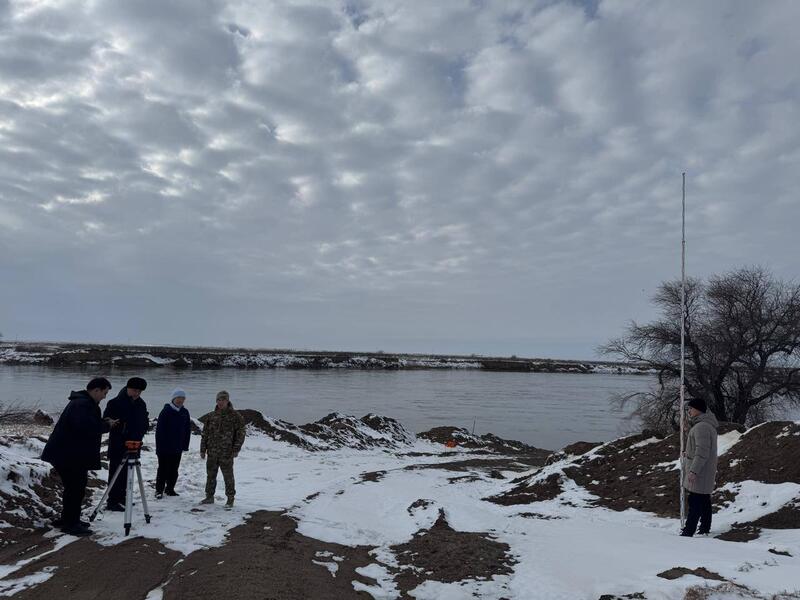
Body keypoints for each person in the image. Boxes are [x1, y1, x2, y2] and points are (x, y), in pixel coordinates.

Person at [41, 377, 118, 536]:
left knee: (73, 488)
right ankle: (71, 524)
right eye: (104, 392)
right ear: (96, 390)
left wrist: (102, 421)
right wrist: (107, 425)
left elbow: (86, 423)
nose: (105, 396)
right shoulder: (82, 404)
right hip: (68, 455)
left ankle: (69, 519)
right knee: (75, 488)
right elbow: (86, 427)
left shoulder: (83, 402)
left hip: (68, 453)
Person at [102, 377, 149, 511]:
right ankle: (113, 501)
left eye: (140, 391)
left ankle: (123, 498)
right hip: (118, 443)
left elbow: (144, 421)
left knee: (128, 473)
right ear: (128, 388)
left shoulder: (141, 404)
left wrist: (142, 431)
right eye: (135, 390)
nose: (137, 393)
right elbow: (106, 420)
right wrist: (117, 425)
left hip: (134, 443)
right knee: (116, 472)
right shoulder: (115, 403)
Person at [681, 397, 719, 537]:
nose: (689, 411)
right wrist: (687, 431)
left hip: (700, 471)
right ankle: (704, 528)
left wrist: (693, 471)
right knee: (703, 499)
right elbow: (697, 443)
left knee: (695, 501)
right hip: (705, 469)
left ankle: (688, 531)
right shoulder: (704, 424)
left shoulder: (702, 427)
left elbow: (702, 451)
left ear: (698, 409)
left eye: (691, 408)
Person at [200, 390, 245, 508]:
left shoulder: (235, 416)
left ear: (227, 401)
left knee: (228, 476)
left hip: (227, 452)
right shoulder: (211, 416)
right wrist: (202, 449)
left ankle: (230, 498)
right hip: (212, 452)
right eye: (219, 400)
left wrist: (236, 449)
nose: (221, 402)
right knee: (210, 475)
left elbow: (241, 433)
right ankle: (209, 497)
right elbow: (205, 433)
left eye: (223, 400)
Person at [155, 388, 191, 499]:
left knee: (174, 469)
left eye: (182, 398)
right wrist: (159, 448)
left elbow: (187, 430)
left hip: (177, 447)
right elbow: (159, 431)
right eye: (178, 398)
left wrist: (185, 445)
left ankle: (170, 489)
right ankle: (159, 490)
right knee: (163, 469)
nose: (180, 400)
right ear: (173, 399)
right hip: (164, 447)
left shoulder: (185, 412)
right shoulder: (166, 411)